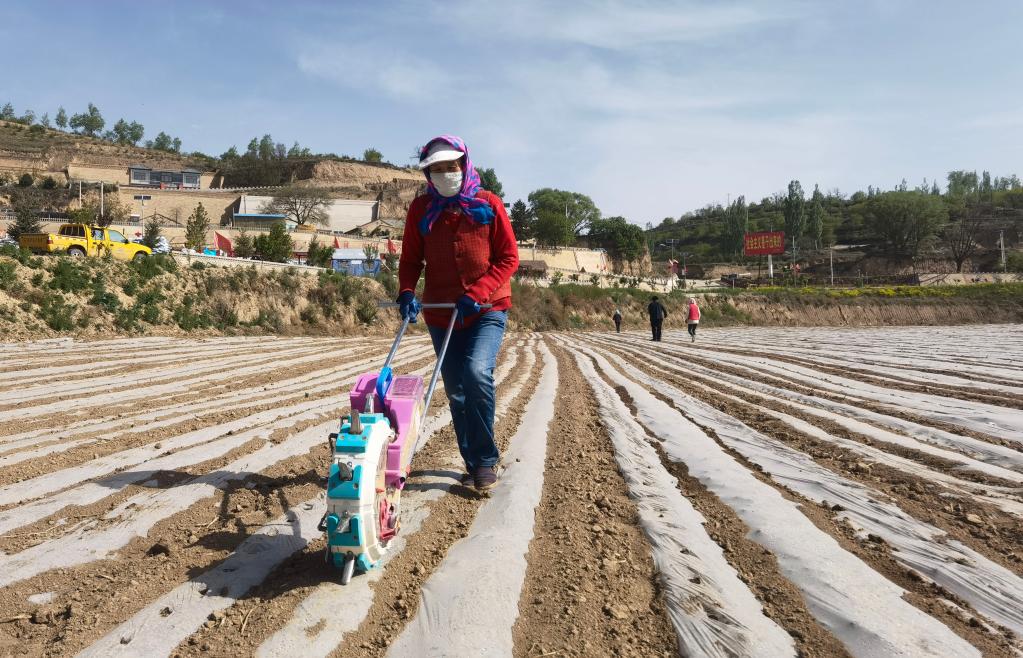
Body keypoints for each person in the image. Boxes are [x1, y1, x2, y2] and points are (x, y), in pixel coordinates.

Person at [396, 135, 519, 492]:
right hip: (441, 312)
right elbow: (410, 260)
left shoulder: (489, 204)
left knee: (476, 374)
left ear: (464, 166)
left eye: (451, 167)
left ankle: (485, 460)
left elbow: (508, 258)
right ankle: (473, 461)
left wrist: (479, 292)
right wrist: (406, 292)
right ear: (428, 174)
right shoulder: (422, 210)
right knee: (456, 391)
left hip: (487, 308)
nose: (444, 174)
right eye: (436, 169)